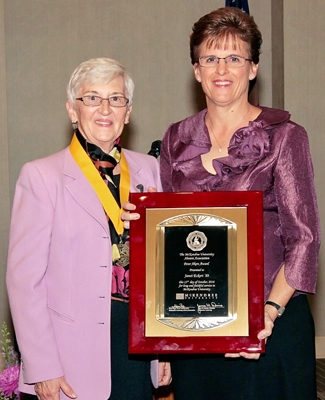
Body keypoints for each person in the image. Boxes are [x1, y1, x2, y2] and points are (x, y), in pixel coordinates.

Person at [159, 7, 320, 400]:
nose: (222, 69)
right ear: (196, 70)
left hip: (271, 325)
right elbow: (166, 238)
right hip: (195, 326)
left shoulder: (285, 137)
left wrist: (267, 311)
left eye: (234, 58)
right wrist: (160, 332)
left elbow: (305, 240)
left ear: (253, 68)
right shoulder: (175, 139)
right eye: (210, 58)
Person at [6, 57, 171, 400]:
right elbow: (24, 282)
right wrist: (43, 366)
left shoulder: (150, 170)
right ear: (72, 110)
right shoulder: (41, 176)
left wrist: (163, 346)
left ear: (128, 112)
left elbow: (162, 268)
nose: (105, 108)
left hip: (137, 344)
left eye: (116, 98)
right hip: (70, 356)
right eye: (92, 98)